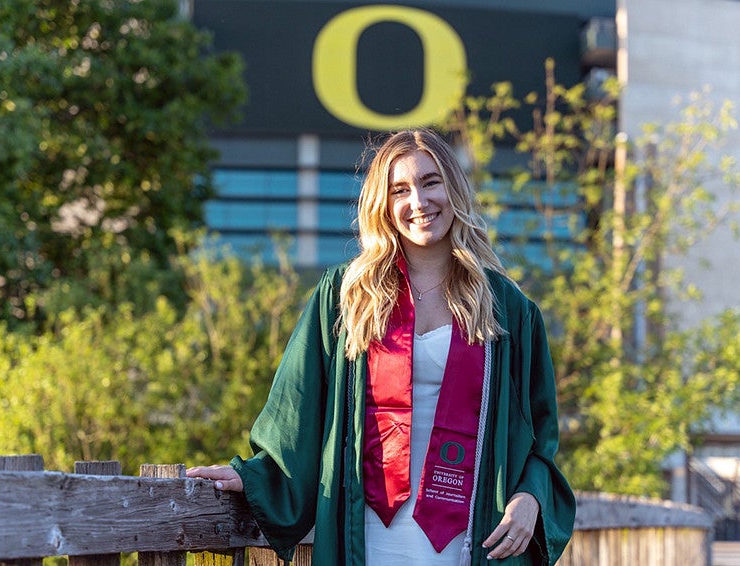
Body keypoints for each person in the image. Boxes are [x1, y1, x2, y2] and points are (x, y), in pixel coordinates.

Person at [187, 129, 575, 565]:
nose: (419, 202)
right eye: (400, 190)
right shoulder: (346, 297)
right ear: (383, 205)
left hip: (473, 536)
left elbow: (542, 435)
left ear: (455, 189)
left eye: (431, 182)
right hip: (366, 535)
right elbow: (298, 407)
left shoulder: (508, 310)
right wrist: (253, 477)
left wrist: (530, 495)